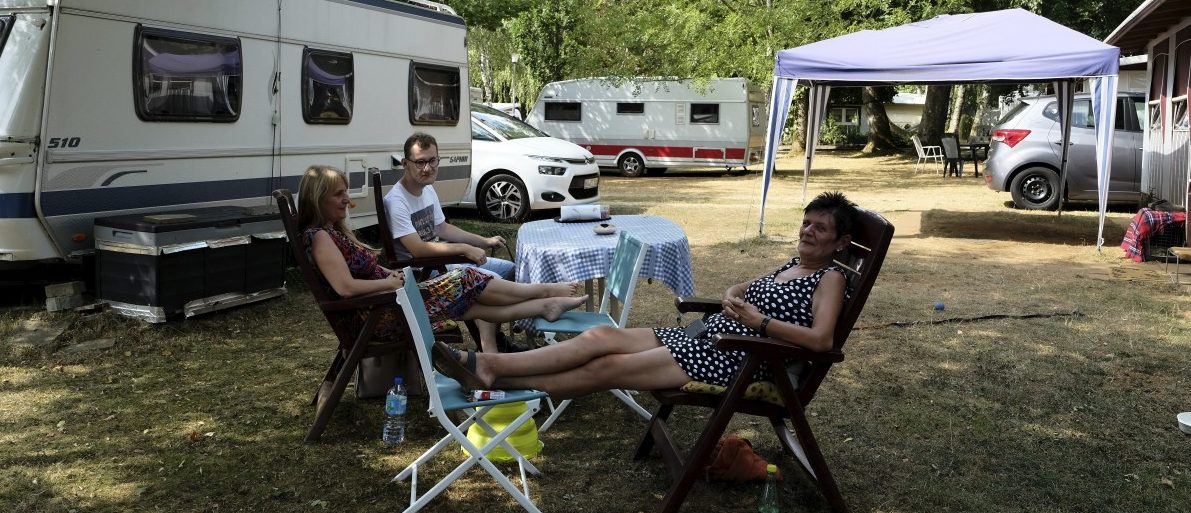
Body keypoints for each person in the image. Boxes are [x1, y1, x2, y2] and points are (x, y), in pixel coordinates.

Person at [435, 191, 859, 399]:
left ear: (840, 242)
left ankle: (496, 377)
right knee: (599, 339)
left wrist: (758, 323)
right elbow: (747, 288)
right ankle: (490, 364)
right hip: (709, 334)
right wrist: (732, 295)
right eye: (806, 223)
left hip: (741, 356)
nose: (808, 232)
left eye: (820, 228)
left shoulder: (830, 280)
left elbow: (822, 341)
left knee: (608, 368)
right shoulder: (793, 264)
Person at [298, 165, 587, 342]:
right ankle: (545, 291)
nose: (347, 199)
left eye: (346, 192)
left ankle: (544, 306)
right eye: (339, 194)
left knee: (469, 305)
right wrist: (389, 283)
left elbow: (364, 272)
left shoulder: (332, 232)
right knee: (465, 278)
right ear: (317, 198)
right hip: (381, 316)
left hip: (389, 304)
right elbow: (345, 288)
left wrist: (389, 275)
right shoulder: (321, 238)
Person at [385, 132, 521, 352]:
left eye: (432, 160)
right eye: (420, 162)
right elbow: (417, 249)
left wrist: (483, 241)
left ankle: (493, 341)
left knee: (510, 270)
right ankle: (491, 351)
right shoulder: (396, 201)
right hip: (423, 275)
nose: (427, 168)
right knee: (491, 280)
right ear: (405, 164)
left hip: (441, 263)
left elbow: (442, 228)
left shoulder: (427, 189)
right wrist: (465, 249)